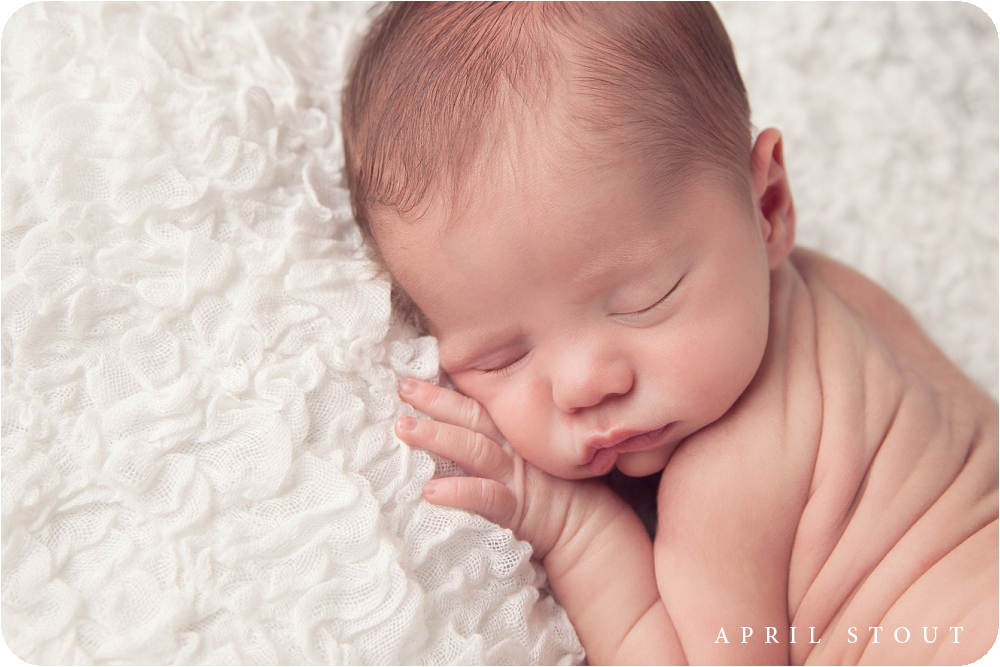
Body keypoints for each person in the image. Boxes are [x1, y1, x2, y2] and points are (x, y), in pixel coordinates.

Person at [340, 3, 998, 664]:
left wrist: (577, 530)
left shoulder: (723, 491)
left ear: (767, 207)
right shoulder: (839, 294)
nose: (584, 383)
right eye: (501, 356)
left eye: (642, 301)